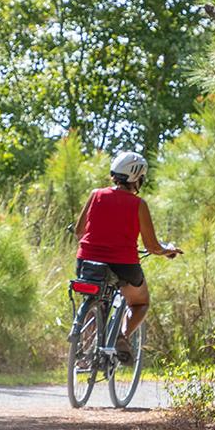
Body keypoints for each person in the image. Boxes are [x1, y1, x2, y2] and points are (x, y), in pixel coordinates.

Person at [73, 150, 180, 360]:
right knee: (140, 303)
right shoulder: (138, 205)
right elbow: (152, 246)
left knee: (95, 297)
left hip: (86, 261)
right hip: (123, 264)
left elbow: (79, 232)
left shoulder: (95, 195)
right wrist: (168, 250)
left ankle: (84, 354)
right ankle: (121, 336)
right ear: (137, 178)